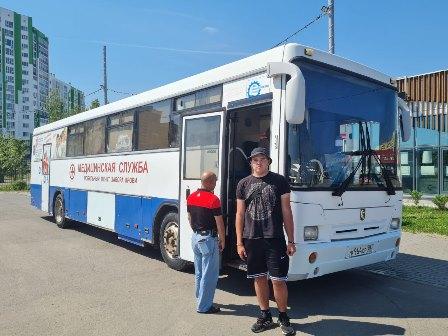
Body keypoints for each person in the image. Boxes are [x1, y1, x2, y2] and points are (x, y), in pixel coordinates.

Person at [235, 147, 296, 335]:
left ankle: (283, 316)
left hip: (274, 238)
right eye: (255, 160)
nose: (258, 162)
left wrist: (291, 240)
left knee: (278, 280)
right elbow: (240, 213)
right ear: (251, 163)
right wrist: (239, 242)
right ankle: (265, 315)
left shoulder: (280, 181)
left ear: (268, 161)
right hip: (252, 238)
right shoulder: (243, 184)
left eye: (262, 159)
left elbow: (287, 211)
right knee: (259, 278)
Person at [187, 171, 225, 314]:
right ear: (208, 182)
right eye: (214, 181)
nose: (215, 184)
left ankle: (200, 298)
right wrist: (223, 240)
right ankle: (204, 306)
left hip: (195, 238)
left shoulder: (191, 197)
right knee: (210, 274)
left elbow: (190, 218)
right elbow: (219, 222)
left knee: (199, 272)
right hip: (208, 240)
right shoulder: (213, 199)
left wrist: (197, 232)